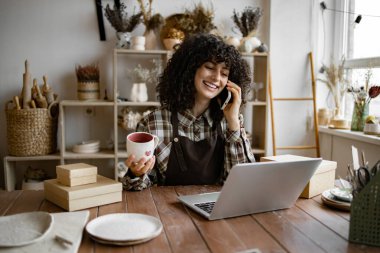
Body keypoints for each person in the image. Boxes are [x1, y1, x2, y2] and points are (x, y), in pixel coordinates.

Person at [122, 33, 255, 191]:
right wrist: (136, 173)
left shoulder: (229, 121)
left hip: (216, 211)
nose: (216, 78)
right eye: (210, 67)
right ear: (190, 69)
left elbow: (244, 183)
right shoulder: (153, 123)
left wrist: (233, 122)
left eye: (224, 73)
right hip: (168, 213)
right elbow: (141, 189)